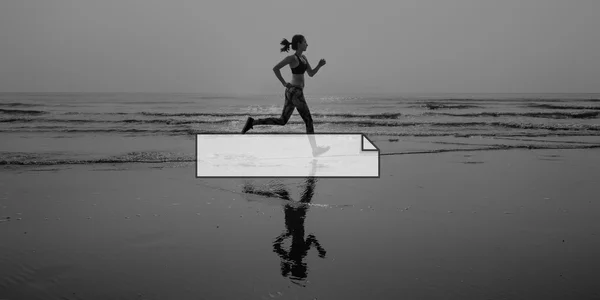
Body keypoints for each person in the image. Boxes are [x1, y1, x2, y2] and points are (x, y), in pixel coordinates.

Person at [241, 34, 329, 156]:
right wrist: (283, 83)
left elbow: (311, 73)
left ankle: (253, 122)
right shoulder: (292, 58)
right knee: (308, 120)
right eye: (305, 42)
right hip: (294, 92)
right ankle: (315, 150)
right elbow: (276, 68)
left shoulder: (304, 58)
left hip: (294, 93)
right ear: (299, 44)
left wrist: (319, 65)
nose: (307, 44)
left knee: (282, 121)